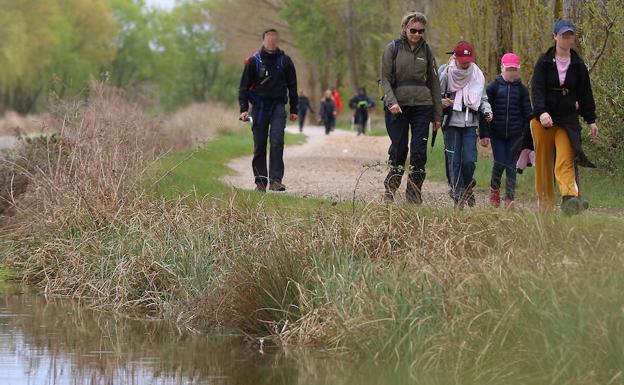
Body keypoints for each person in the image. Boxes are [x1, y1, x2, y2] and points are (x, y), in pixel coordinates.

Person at [530, 19, 598, 215]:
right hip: (544, 120)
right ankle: (545, 206)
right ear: (555, 37)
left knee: (565, 159)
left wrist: (591, 120)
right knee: (543, 164)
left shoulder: (578, 65)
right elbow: (537, 90)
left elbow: (586, 94)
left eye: (570, 36)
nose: (567, 39)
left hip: (567, 119)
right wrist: (541, 112)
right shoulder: (543, 62)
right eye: (563, 36)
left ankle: (570, 200)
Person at [380, 11, 443, 204]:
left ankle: (414, 194)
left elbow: (434, 83)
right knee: (399, 149)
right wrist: (392, 102)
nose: (416, 34)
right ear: (405, 29)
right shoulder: (393, 48)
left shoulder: (427, 51)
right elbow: (385, 79)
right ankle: (391, 188)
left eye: (420, 31)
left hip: (422, 106)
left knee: (418, 152)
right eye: (413, 30)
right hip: (397, 106)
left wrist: (438, 115)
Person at [239, 28, 298, 192]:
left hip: (278, 106)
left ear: (277, 40)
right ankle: (260, 181)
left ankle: (276, 180)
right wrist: (244, 109)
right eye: (268, 37)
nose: (271, 40)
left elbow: (293, 86)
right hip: (259, 108)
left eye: (274, 37)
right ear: (263, 40)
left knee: (277, 141)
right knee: (259, 145)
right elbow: (243, 87)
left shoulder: (285, 61)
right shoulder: (253, 61)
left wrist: (294, 108)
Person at [439, 41, 493, 208]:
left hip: (470, 122)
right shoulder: (446, 74)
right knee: (454, 160)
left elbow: (482, 98)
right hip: (451, 122)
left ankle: (468, 185)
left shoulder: (477, 75)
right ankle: (458, 194)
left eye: (468, 59)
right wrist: (442, 102)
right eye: (462, 59)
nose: (465, 62)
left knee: (469, 160)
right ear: (455, 57)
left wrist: (487, 111)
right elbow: (436, 98)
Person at [484, 53, 533, 209]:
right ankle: (495, 189)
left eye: (514, 69)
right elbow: (484, 110)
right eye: (509, 69)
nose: (511, 72)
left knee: (511, 165)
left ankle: (509, 199)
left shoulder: (522, 90)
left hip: (515, 135)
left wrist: (529, 133)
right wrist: (485, 133)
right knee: (499, 163)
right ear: (502, 68)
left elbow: (527, 112)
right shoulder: (493, 87)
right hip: (497, 134)